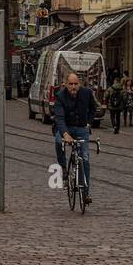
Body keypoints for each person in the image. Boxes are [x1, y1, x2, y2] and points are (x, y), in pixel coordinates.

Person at [53, 70, 96, 204]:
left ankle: (86, 193)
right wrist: (65, 134)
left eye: (75, 84)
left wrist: (89, 122)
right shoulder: (60, 96)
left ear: (79, 84)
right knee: (58, 141)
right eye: (70, 84)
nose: (73, 87)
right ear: (66, 84)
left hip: (82, 127)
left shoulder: (87, 93)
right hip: (66, 127)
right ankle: (64, 169)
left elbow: (93, 108)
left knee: (85, 158)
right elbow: (59, 118)